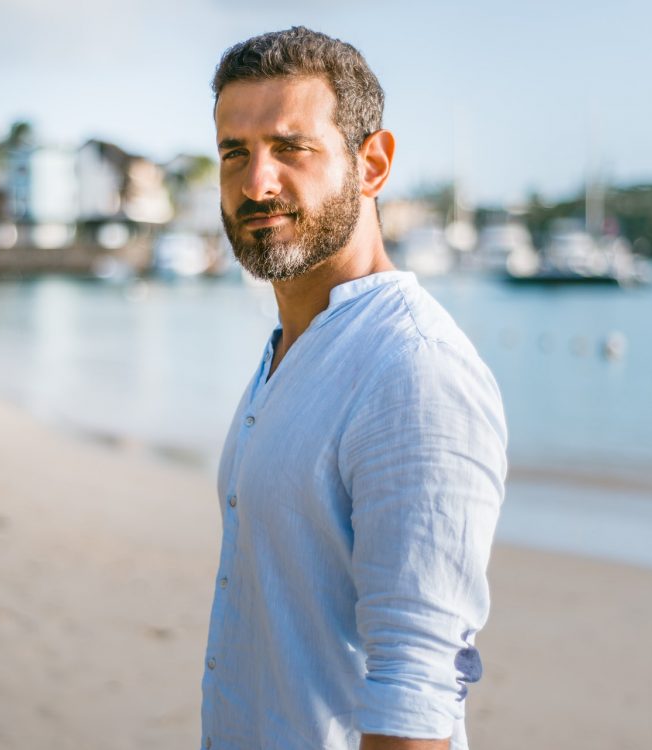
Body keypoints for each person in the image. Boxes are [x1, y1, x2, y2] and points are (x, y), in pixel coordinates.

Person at [201, 27, 507, 750]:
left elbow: (419, 691)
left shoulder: (413, 370)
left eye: (290, 148)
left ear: (372, 164)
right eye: (233, 153)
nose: (256, 183)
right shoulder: (293, 347)